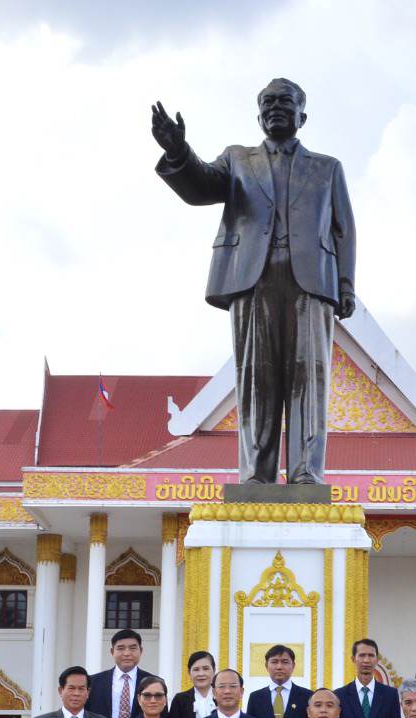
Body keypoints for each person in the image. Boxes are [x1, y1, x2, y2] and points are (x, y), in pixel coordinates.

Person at [151, 78, 357, 485]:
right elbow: (201, 187)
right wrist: (177, 151)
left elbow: (343, 229)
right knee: (256, 378)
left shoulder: (327, 168)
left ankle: (305, 474)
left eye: (285, 102)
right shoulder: (237, 160)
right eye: (267, 102)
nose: (275, 108)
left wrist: (346, 285)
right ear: (258, 114)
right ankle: (256, 476)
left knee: (309, 379)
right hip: (252, 278)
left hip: (311, 282)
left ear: (303, 115)